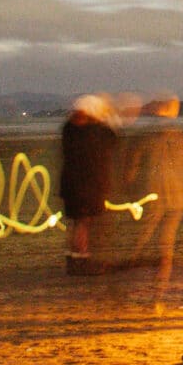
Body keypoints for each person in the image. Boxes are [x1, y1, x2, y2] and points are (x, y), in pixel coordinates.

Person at [59, 94, 122, 271]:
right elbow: (112, 139)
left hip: (71, 184)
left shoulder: (69, 129)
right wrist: (109, 117)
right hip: (88, 186)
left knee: (76, 222)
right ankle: (81, 260)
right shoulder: (93, 131)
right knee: (83, 223)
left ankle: (72, 258)